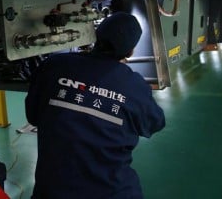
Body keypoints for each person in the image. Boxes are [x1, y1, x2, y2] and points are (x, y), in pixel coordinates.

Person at [25, 12, 165, 198]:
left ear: (96, 35)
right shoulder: (134, 85)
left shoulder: (53, 66)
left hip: (53, 191)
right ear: (131, 52)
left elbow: (33, 116)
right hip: (112, 192)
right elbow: (154, 123)